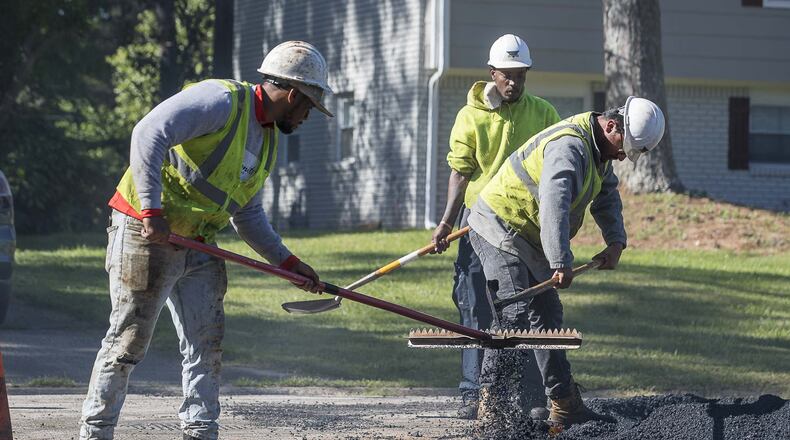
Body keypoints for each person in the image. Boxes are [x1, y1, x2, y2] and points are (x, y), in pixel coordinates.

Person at [79, 41, 333, 440]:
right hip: (146, 231)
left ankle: (200, 431)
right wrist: (152, 211)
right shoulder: (220, 101)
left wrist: (286, 263)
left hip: (198, 242)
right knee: (128, 341)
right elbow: (148, 133)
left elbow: (245, 212)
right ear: (293, 94)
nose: (307, 118)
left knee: (206, 340)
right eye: (309, 108)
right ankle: (95, 432)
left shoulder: (267, 138)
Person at [467, 96, 666, 427]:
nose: (622, 155)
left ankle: (563, 403)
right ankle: (491, 405)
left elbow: (607, 194)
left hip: (527, 236)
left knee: (547, 316)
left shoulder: (599, 149)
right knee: (514, 313)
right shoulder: (570, 147)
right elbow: (554, 205)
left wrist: (616, 241)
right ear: (612, 125)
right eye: (623, 147)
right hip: (499, 226)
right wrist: (560, 261)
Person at [430, 34, 561, 420]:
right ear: (492, 73)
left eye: (521, 75)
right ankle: (475, 393)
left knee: (530, 309)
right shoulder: (471, 117)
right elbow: (460, 173)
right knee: (475, 309)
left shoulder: (543, 113)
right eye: (507, 75)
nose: (514, 83)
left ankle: (532, 393)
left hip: (526, 230)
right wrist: (445, 223)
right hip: (478, 228)